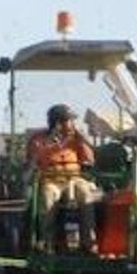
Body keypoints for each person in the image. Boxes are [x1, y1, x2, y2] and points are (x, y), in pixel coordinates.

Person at [27, 104, 102, 251]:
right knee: (48, 197)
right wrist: (49, 143)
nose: (73, 124)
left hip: (75, 179)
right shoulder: (39, 139)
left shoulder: (76, 139)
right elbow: (33, 160)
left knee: (87, 194)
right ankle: (49, 243)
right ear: (57, 123)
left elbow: (91, 159)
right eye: (70, 120)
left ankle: (89, 243)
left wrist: (83, 139)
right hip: (51, 180)